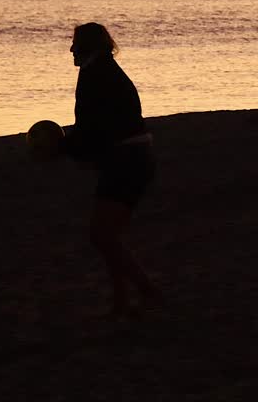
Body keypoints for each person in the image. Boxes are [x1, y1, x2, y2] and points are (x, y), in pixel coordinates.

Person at [63, 22, 160, 317]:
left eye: (75, 44)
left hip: (127, 159)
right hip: (130, 157)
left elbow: (92, 127)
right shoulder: (102, 70)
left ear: (88, 47)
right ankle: (122, 301)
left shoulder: (96, 74)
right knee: (108, 235)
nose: (70, 50)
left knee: (102, 235)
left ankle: (146, 291)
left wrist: (63, 147)